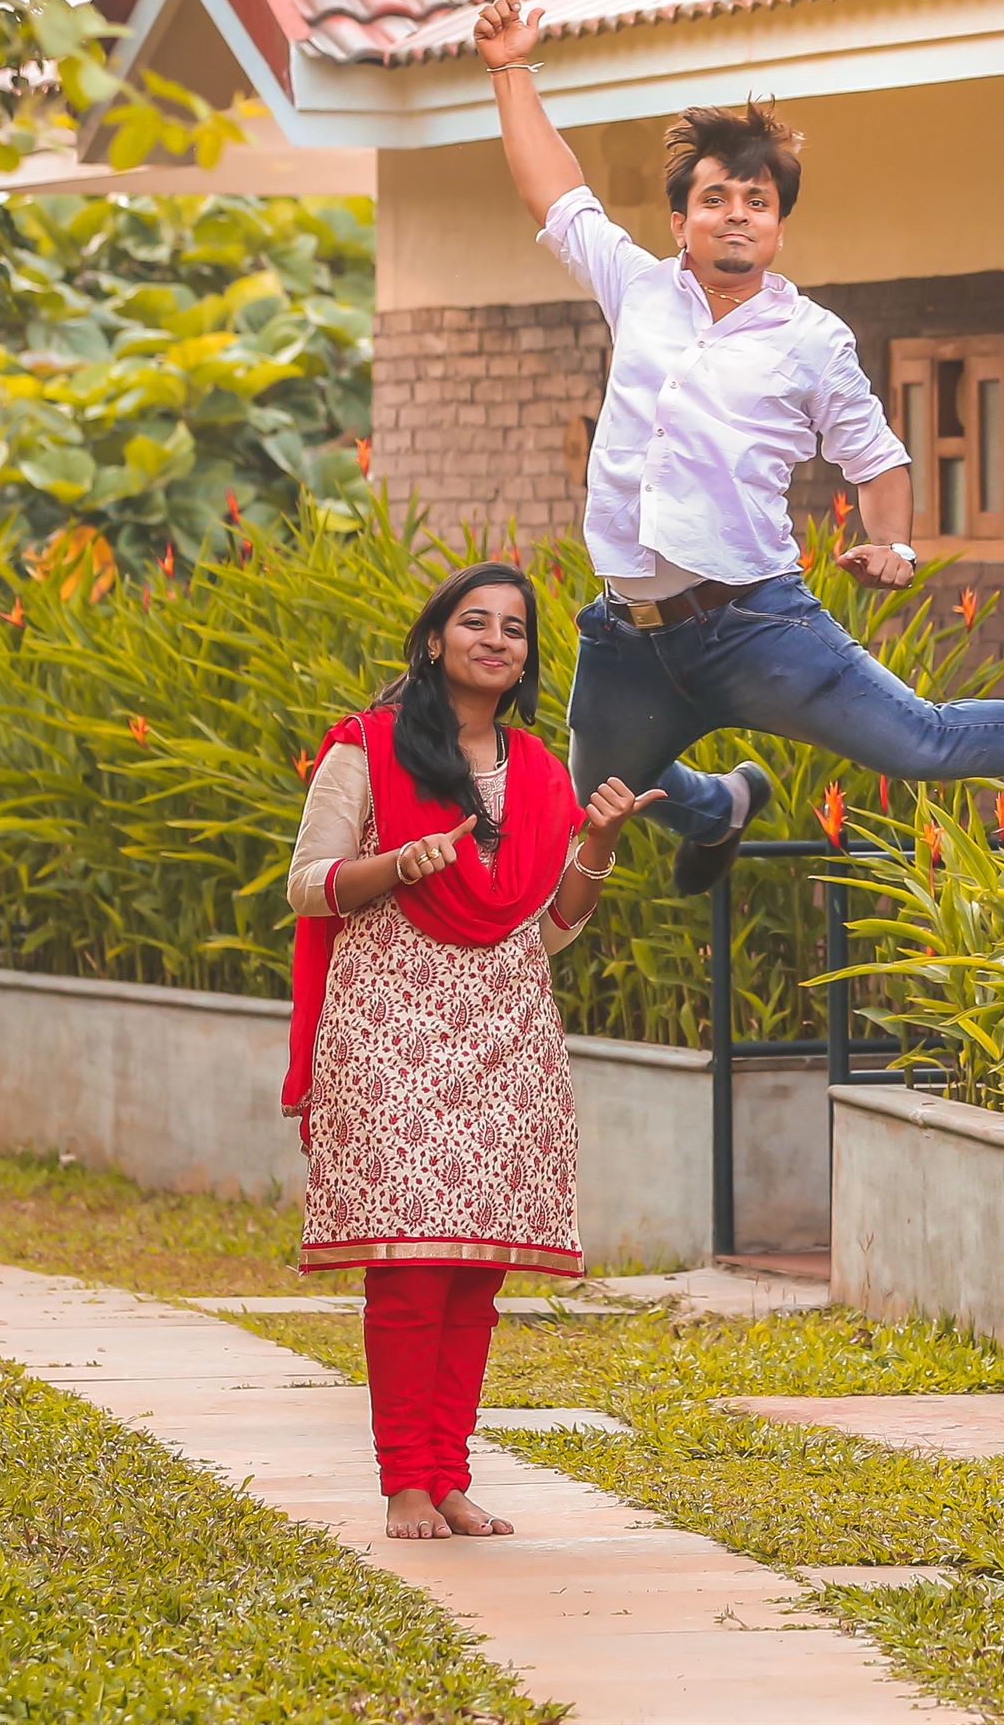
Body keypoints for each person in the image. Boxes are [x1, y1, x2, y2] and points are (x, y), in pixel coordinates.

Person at [471, 0, 1004, 893]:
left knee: (923, 742)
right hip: (629, 638)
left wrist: (894, 545)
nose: (736, 214)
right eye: (714, 199)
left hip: (754, 624)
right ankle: (719, 807)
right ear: (679, 222)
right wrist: (509, 68)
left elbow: (876, 459)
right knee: (597, 795)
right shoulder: (637, 289)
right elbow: (557, 193)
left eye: (756, 201)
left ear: (777, 225)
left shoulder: (813, 339)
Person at [283, 561, 653, 1540]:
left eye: (514, 629)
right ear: (435, 640)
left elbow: (549, 929)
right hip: (390, 1031)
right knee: (410, 1268)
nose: (496, 640)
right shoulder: (366, 749)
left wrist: (599, 845)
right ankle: (406, 1481)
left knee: (473, 1274)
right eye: (475, 622)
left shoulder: (538, 772)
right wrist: (395, 863)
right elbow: (308, 883)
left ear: (526, 658)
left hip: (506, 1034)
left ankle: (448, 1474)